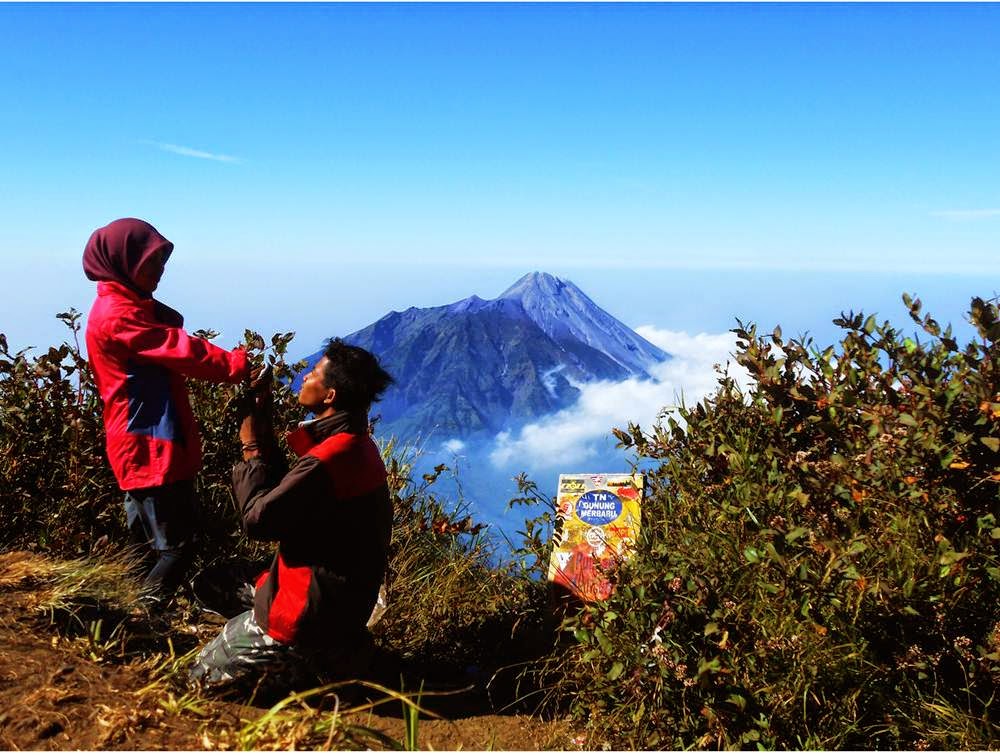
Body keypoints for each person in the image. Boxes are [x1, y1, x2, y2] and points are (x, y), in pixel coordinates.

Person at [189, 339, 394, 693]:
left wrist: (252, 449)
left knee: (198, 678)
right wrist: (263, 424)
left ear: (329, 395)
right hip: (339, 602)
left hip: (305, 616)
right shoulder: (357, 445)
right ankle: (333, 650)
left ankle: (305, 663)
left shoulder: (327, 460)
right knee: (210, 583)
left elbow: (258, 521)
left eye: (313, 373)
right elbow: (291, 497)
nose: (304, 377)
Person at [83, 218, 251, 602]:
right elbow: (176, 348)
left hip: (140, 442)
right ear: (123, 262)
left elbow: (163, 331)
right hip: (149, 446)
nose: (160, 271)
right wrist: (236, 366)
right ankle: (143, 617)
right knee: (176, 548)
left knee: (142, 547)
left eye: (162, 262)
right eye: (152, 262)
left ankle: (123, 616)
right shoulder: (118, 314)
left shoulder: (124, 306)